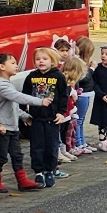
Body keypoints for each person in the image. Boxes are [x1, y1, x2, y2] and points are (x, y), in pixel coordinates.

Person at [0, 53, 48, 192]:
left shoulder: (8, 84)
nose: (16, 65)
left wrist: (24, 115)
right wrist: (40, 101)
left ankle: (22, 181)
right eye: (13, 63)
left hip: (13, 126)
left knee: (17, 155)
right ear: (2, 67)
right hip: (1, 126)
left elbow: (13, 105)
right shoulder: (0, 85)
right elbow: (17, 97)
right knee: (2, 156)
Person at [23, 46, 71, 188]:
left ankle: (50, 170)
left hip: (52, 118)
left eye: (45, 59)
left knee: (51, 146)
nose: (41, 61)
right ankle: (38, 171)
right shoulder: (31, 77)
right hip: (36, 118)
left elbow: (64, 96)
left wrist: (61, 113)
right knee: (37, 146)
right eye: (38, 59)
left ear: (53, 61)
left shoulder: (58, 76)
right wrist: (24, 113)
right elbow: (24, 96)